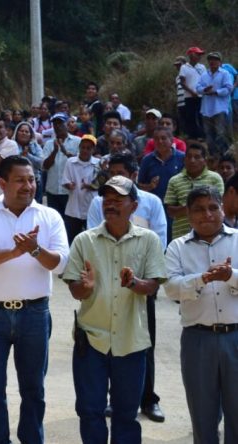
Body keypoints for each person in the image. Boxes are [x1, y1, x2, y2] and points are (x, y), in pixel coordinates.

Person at [0, 155, 69, 444]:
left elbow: (60, 264)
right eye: (20, 180)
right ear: (2, 183)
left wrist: (35, 250)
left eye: (32, 179)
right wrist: (14, 252)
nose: (28, 185)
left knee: (34, 388)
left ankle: (32, 439)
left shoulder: (49, 217)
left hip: (34, 314)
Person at [63, 175, 166, 444]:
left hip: (131, 341)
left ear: (134, 205)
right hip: (92, 341)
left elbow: (153, 286)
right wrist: (85, 288)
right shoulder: (84, 240)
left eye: (118, 200)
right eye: (107, 200)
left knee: (127, 414)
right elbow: (75, 290)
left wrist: (134, 282)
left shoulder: (149, 240)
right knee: (89, 410)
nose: (110, 205)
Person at [86, 153, 169, 422]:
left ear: (134, 176)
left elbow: (159, 240)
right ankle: (116, 399)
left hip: (141, 286)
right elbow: (91, 242)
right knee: (108, 343)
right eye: (111, 173)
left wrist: (142, 280)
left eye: (121, 173)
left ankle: (148, 399)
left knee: (144, 342)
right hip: (104, 285)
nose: (114, 179)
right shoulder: (98, 204)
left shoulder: (152, 203)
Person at [163, 185, 238, 443]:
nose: (207, 214)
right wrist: (201, 279)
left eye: (212, 208)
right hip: (198, 340)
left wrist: (231, 276)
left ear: (221, 208)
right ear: (188, 213)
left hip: (235, 336)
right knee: (202, 416)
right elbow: (171, 289)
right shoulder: (177, 247)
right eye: (198, 209)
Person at [165, 143, 224, 240]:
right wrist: (194, 207)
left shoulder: (215, 179)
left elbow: (218, 207)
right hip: (182, 237)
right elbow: (170, 211)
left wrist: (195, 208)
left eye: (197, 157)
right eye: (189, 157)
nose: (192, 160)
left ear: (205, 160)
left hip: (212, 235)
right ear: (184, 159)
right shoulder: (174, 181)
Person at [138, 127, 186, 241]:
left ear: (171, 140)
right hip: (154, 208)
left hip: (176, 209)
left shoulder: (182, 158)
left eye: (163, 138)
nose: (160, 142)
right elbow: (139, 185)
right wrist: (150, 186)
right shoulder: (147, 160)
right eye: (156, 139)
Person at [62, 135, 100, 243]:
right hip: (74, 208)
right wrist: (69, 185)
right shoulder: (70, 162)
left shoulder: (98, 164)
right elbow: (65, 180)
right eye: (83, 147)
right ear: (79, 147)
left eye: (89, 148)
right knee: (71, 239)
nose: (85, 150)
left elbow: (100, 184)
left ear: (93, 150)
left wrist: (90, 186)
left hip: (91, 207)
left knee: (91, 239)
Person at [196, 51, 235, 157]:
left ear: (220, 61)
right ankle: (213, 156)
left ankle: (224, 156)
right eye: (210, 59)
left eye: (215, 59)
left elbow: (228, 88)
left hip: (219, 108)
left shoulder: (225, 73)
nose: (212, 61)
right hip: (206, 109)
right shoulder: (204, 74)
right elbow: (198, 88)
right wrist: (204, 89)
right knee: (209, 135)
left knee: (220, 133)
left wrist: (216, 92)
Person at [179, 47, 207, 140]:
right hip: (189, 96)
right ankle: (193, 136)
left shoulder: (202, 67)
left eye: (200, 55)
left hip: (200, 95)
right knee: (190, 116)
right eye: (197, 54)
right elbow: (182, 83)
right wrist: (191, 92)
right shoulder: (184, 67)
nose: (199, 56)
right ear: (191, 55)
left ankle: (203, 135)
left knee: (201, 116)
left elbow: (205, 80)